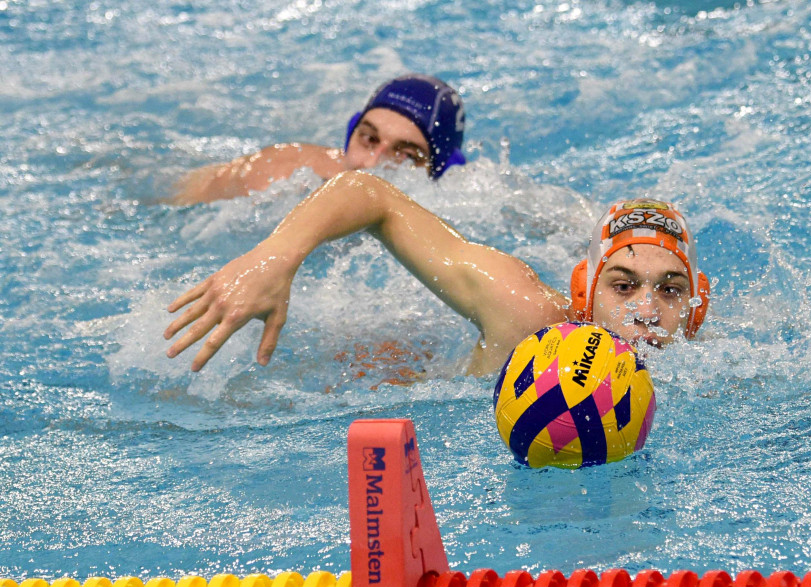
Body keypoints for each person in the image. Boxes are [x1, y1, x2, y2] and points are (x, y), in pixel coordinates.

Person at [164, 172, 710, 374]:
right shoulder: (529, 318)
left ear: (695, 308)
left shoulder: (715, 368)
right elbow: (373, 194)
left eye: (669, 290)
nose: (645, 308)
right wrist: (276, 256)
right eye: (623, 284)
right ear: (584, 294)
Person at [169, 74, 466, 205]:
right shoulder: (280, 173)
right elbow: (165, 202)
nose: (371, 165)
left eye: (406, 155)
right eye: (369, 139)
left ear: (438, 170)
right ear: (351, 133)